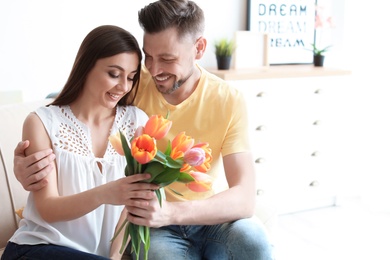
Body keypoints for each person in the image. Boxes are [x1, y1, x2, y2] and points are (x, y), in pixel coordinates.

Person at [13, 0, 274, 259]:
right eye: (148, 57)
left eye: (167, 59)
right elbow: (79, 100)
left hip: (203, 217)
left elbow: (245, 198)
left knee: (253, 241)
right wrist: (27, 161)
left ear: (199, 48)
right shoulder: (136, 81)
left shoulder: (227, 99)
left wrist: (170, 213)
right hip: (153, 227)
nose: (155, 70)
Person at [2, 25, 159, 260]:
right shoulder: (42, 122)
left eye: (131, 77)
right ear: (86, 67)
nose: (123, 86)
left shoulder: (137, 121)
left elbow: (134, 206)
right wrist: (106, 193)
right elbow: (48, 208)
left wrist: (114, 257)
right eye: (114, 74)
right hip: (36, 248)